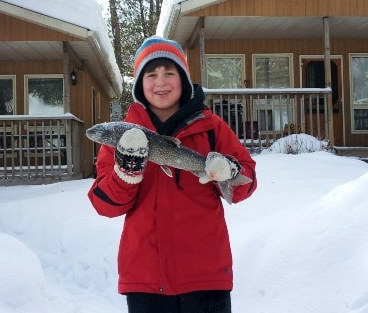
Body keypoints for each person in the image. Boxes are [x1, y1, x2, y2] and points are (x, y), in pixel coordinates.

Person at [88, 36, 257, 313]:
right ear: (141, 85)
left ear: (184, 80)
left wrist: (231, 169)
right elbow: (104, 204)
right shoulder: (123, 135)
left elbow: (246, 182)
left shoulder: (211, 126)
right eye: (151, 74)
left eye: (170, 72)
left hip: (206, 274)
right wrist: (125, 174)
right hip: (145, 279)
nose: (161, 82)